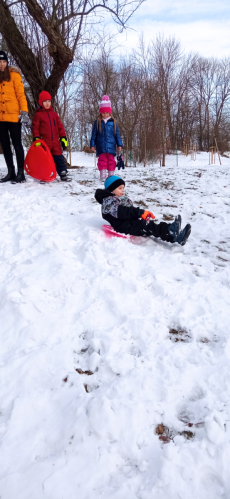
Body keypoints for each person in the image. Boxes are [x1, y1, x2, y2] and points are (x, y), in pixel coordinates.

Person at [95, 175, 191, 245]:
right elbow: (122, 212)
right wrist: (139, 213)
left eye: (123, 188)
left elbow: (129, 209)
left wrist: (142, 214)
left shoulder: (118, 199)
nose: (123, 190)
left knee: (151, 226)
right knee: (148, 226)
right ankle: (171, 232)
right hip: (123, 226)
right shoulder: (108, 202)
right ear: (111, 189)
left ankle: (174, 234)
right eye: (120, 188)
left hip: (129, 223)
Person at [0, 50, 29, 183]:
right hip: (1, 118)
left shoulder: (15, 75)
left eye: (4, 61)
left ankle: (20, 173)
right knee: (5, 146)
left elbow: (21, 95)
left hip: (14, 117)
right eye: (0, 62)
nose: (2, 64)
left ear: (7, 62)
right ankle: (11, 172)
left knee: (17, 144)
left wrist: (24, 112)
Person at [32, 91, 68, 181]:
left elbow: (60, 127)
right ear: (41, 102)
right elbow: (35, 127)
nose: (47, 103)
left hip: (55, 141)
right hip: (44, 141)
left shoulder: (54, 115)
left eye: (49, 101)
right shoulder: (38, 115)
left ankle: (62, 172)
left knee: (59, 157)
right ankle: (44, 174)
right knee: (45, 159)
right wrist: (36, 138)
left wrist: (63, 137)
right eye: (45, 101)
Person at [90, 95, 123, 182]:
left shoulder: (113, 122)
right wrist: (92, 145)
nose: (105, 114)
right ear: (100, 113)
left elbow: (117, 134)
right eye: (103, 113)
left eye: (107, 113)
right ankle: (103, 175)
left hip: (111, 146)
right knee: (102, 160)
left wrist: (119, 144)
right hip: (101, 146)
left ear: (110, 113)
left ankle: (111, 176)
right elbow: (94, 135)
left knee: (111, 161)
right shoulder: (97, 122)